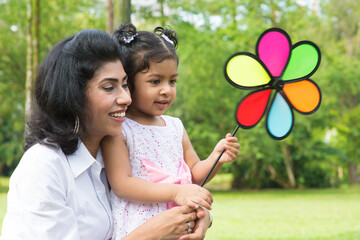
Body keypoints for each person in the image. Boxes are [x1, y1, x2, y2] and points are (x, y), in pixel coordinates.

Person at [1, 28, 211, 240]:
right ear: (73, 95)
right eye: (109, 87)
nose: (126, 98)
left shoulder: (113, 157)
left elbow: (162, 203)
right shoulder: (45, 166)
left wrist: (200, 219)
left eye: (125, 84)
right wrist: (148, 235)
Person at [102, 23, 240, 239]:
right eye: (155, 81)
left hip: (179, 220)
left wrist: (216, 158)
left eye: (172, 81)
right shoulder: (119, 128)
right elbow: (122, 184)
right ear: (129, 82)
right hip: (142, 225)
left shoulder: (175, 126)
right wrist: (177, 192)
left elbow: (194, 173)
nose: (166, 89)